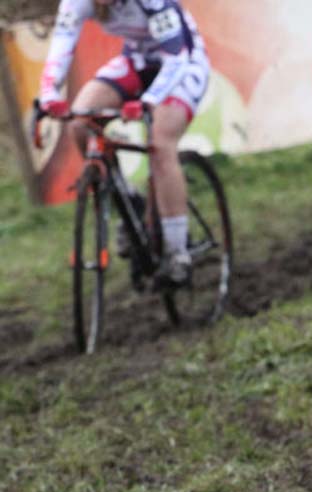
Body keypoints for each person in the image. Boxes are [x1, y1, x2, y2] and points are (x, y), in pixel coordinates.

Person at [38, 0, 210, 287]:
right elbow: (60, 47)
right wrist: (48, 96)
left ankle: (178, 253)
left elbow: (176, 58)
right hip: (137, 60)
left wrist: (148, 101)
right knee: (80, 122)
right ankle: (129, 199)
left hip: (183, 63)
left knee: (160, 141)